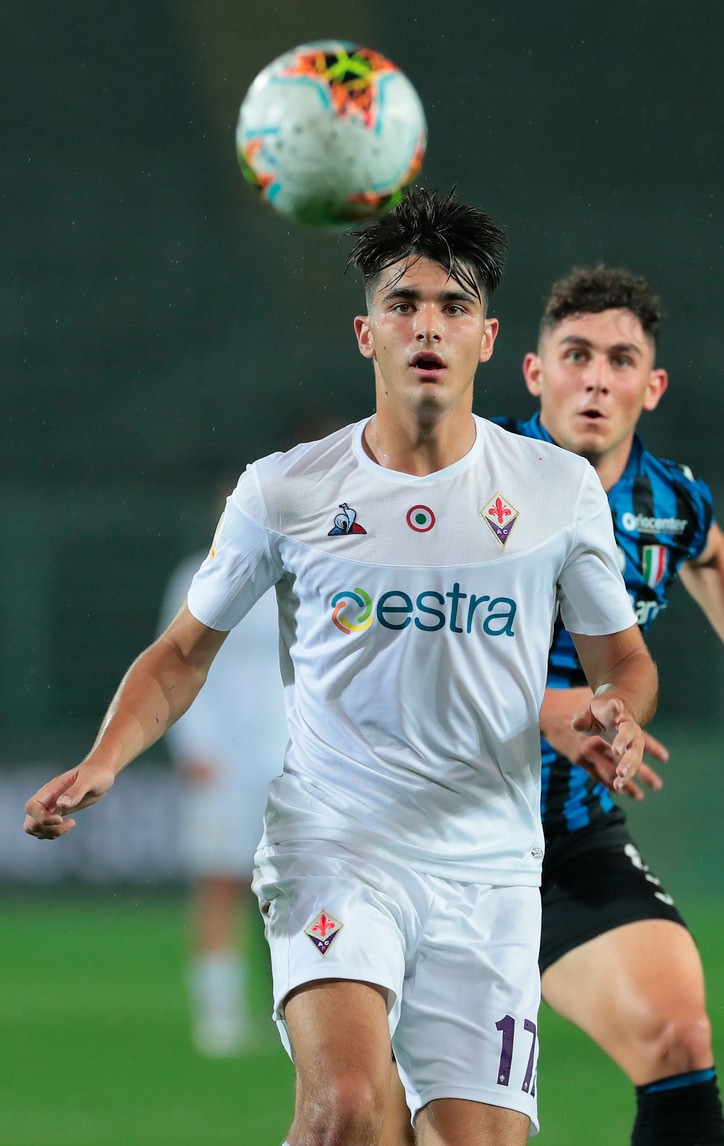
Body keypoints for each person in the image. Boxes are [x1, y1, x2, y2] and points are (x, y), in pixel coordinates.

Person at [23, 191, 659, 1146]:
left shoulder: (556, 490)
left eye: (452, 307)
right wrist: (106, 758)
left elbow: (624, 662)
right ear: (367, 334)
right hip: (335, 842)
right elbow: (182, 653)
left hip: (489, 865)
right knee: (347, 1109)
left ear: (487, 338)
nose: (427, 326)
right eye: (403, 305)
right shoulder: (285, 490)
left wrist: (618, 711)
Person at [501, 264, 724, 1145]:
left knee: (676, 1036)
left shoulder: (668, 499)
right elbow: (390, 646)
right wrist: (546, 708)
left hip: (564, 841)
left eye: (619, 360)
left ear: (651, 387)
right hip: (424, 838)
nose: (595, 379)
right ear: (534, 373)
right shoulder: (462, 476)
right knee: (389, 1118)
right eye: (575, 355)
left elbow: (711, 554)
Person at [159, 538, 285, 1056]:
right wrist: (192, 742)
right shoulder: (199, 573)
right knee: (219, 883)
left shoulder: (307, 569)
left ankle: (296, 1014)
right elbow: (174, 659)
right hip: (223, 760)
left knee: (300, 889)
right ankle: (220, 1016)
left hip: (292, 756)